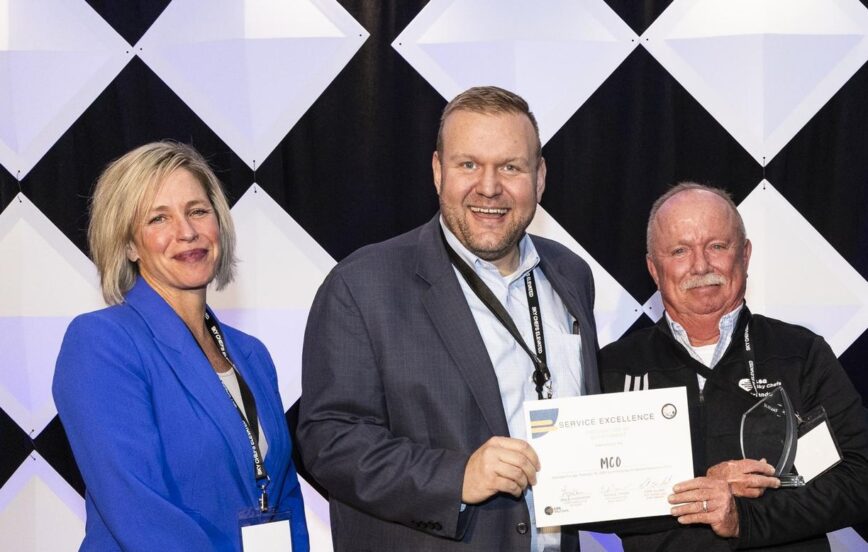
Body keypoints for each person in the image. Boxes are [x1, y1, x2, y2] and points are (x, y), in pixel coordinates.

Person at [297, 86, 599, 551]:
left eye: (511, 167)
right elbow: (330, 441)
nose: (489, 187)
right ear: (438, 171)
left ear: (539, 177)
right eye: (468, 165)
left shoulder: (571, 274)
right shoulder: (361, 285)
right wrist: (457, 477)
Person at [53, 142, 309, 551]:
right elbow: (141, 512)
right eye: (159, 218)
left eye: (197, 211)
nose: (187, 232)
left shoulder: (252, 355)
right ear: (129, 245)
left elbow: (284, 495)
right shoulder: (102, 344)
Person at [598, 182, 868, 550]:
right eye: (679, 251)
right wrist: (704, 484)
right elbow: (588, 497)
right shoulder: (613, 367)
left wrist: (746, 518)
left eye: (717, 246)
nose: (700, 265)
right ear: (654, 269)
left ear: (745, 255)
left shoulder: (800, 354)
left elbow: (860, 477)